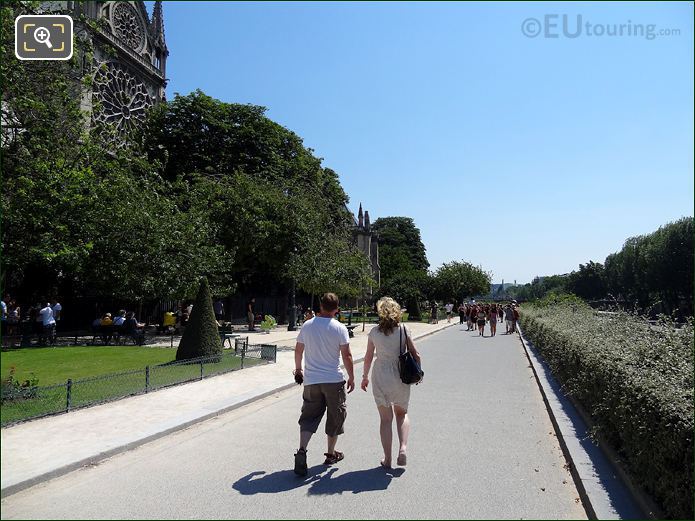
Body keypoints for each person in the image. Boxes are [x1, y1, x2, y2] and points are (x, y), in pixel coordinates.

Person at [293, 293, 355, 476]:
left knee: (308, 417)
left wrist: (298, 370)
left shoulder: (307, 325)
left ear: (320, 306)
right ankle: (330, 454)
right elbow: (347, 356)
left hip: (311, 380)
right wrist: (352, 377)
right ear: (337, 308)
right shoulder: (339, 328)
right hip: (333, 380)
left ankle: (302, 450)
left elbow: (298, 350)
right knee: (335, 417)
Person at [361, 297, 421, 468]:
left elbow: (367, 357)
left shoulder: (374, 332)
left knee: (385, 419)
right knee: (402, 414)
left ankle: (387, 459)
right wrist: (418, 374)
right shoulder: (403, 329)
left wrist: (364, 377)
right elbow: (416, 354)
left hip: (380, 375)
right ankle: (403, 448)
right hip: (400, 375)